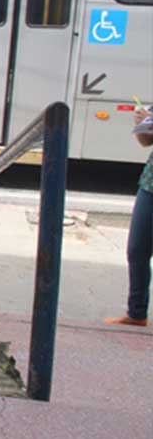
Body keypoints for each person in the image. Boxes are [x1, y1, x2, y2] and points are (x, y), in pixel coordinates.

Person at [104, 105, 153, 327]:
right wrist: (142, 124)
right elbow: (146, 142)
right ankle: (136, 313)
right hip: (150, 185)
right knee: (137, 250)